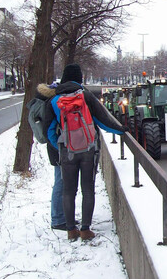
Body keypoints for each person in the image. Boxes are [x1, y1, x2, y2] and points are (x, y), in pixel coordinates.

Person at [44, 64, 127, 241]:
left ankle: (70, 230)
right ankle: (85, 229)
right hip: (89, 149)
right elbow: (102, 119)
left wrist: (60, 145)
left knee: (68, 190)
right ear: (80, 78)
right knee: (87, 189)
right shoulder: (85, 95)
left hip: (67, 151)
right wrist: (121, 130)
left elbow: (48, 130)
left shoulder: (54, 99)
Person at [34, 82, 68, 231]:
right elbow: (50, 130)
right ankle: (58, 219)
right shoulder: (52, 104)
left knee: (61, 182)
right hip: (57, 149)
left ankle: (61, 217)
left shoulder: (47, 101)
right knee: (60, 183)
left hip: (55, 148)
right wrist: (60, 148)